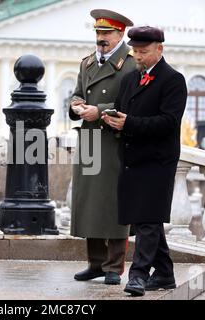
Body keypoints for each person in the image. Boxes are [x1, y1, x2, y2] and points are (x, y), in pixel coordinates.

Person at [102, 26, 187, 296]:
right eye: (135, 51)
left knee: (149, 218)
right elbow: (122, 111)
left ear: (159, 49)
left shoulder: (174, 80)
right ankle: (164, 272)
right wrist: (113, 121)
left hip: (158, 160)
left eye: (143, 52)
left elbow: (169, 122)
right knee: (143, 218)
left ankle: (138, 275)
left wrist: (129, 122)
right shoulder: (129, 79)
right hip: (132, 158)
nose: (137, 56)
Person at [69, 9, 136, 285]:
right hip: (89, 140)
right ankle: (95, 263)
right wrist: (75, 106)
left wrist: (101, 111)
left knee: (113, 204)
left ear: (120, 34)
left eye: (106, 33)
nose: (101, 38)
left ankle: (113, 266)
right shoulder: (87, 64)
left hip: (114, 141)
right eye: (98, 33)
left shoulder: (131, 66)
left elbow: (131, 104)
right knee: (89, 204)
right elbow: (76, 93)